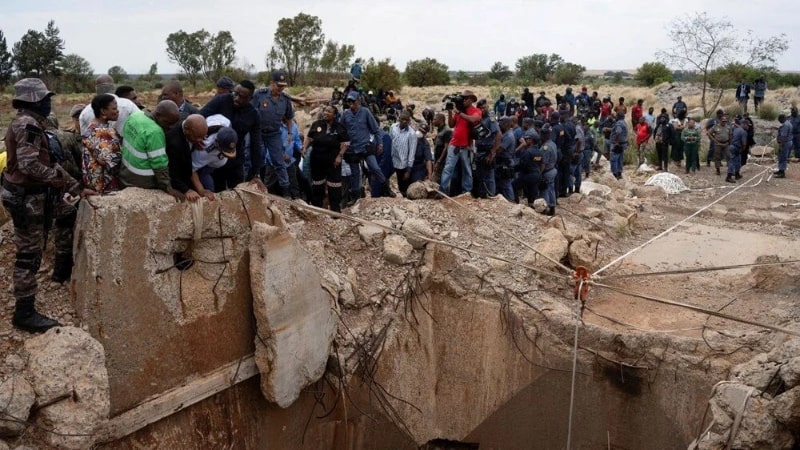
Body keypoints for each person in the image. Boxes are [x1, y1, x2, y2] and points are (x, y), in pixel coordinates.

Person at [2, 78, 97, 332]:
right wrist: (60, 181)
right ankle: (24, 312)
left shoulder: (28, 123)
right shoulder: (28, 125)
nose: (48, 103)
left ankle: (60, 270)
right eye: (45, 99)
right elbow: (29, 165)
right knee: (28, 254)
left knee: (67, 213)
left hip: (31, 196)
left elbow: (45, 164)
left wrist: (74, 187)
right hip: (27, 199)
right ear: (33, 100)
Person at [200, 80, 263, 189]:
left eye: (242, 97)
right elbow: (200, 117)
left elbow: (256, 144)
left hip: (236, 160)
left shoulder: (253, 114)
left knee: (237, 192)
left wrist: (256, 173)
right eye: (235, 93)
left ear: (250, 99)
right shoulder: (221, 100)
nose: (237, 98)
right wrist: (198, 137)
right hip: (214, 157)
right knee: (216, 192)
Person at [119, 100, 183, 200]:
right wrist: (168, 187)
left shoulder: (135, 116)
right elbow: (159, 165)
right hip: (142, 179)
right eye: (168, 122)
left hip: (125, 173)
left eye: (173, 124)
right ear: (158, 114)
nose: (170, 127)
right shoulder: (155, 132)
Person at [252, 71, 294, 198]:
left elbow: (289, 117)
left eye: (283, 86)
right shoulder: (260, 95)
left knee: (279, 162)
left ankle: (285, 191)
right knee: (255, 158)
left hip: (274, 133)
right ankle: (253, 183)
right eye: (278, 85)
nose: (281, 88)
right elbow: (250, 111)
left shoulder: (285, 100)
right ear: (272, 83)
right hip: (258, 132)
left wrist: (290, 132)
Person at [303, 105, 349, 212]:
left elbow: (345, 144)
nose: (325, 113)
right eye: (325, 111)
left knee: (334, 185)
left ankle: (335, 210)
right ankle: (318, 208)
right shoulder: (316, 124)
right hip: (317, 159)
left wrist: (339, 156)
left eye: (329, 111)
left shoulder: (339, 127)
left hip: (333, 161)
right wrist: (305, 148)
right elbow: (309, 138)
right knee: (318, 184)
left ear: (334, 115)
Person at [440, 90, 481, 196]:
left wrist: (458, 112)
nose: (463, 100)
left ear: (471, 99)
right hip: (454, 144)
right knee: (448, 168)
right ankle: (442, 190)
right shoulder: (460, 110)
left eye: (466, 98)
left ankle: (466, 191)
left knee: (467, 169)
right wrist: (450, 112)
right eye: (463, 98)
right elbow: (451, 125)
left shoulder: (475, 111)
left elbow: (473, 119)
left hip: (467, 146)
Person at [81, 93, 122, 193]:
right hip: (104, 185)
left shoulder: (93, 127)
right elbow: (108, 162)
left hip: (94, 182)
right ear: (103, 111)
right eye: (114, 108)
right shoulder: (101, 132)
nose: (117, 111)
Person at [166, 114, 208, 202]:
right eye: (196, 137)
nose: (200, 141)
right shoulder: (175, 144)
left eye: (203, 137)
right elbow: (172, 172)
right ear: (186, 130)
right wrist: (186, 190)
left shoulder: (188, 120)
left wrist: (196, 140)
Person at [191, 115, 236, 193]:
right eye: (224, 151)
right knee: (209, 189)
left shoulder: (226, 122)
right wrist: (201, 189)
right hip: (204, 166)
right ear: (217, 144)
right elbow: (190, 168)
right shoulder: (204, 150)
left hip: (217, 165)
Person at [473, 99, 501, 198]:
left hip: (487, 151)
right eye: (481, 108)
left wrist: (492, 153)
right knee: (481, 176)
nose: (483, 110)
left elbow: (498, 135)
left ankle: (491, 196)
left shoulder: (490, 119)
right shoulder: (479, 119)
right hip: (479, 151)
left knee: (489, 176)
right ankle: (483, 196)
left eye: (484, 107)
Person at [388, 111, 417, 196]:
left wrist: (408, 170)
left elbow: (412, 153)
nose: (404, 121)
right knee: (385, 178)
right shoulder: (393, 127)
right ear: (399, 119)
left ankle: (405, 199)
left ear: (409, 121)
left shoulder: (411, 134)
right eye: (402, 119)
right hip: (392, 159)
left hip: (402, 164)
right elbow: (390, 140)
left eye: (406, 120)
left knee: (403, 184)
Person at [513, 130, 544, 207]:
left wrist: (512, 169)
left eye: (527, 139)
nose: (526, 140)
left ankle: (515, 204)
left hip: (528, 175)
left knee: (513, 186)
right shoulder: (539, 151)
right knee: (532, 194)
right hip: (537, 175)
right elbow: (542, 164)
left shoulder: (527, 152)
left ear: (531, 140)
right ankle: (532, 208)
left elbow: (522, 165)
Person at [495, 117, 517, 201]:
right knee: (502, 183)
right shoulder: (505, 133)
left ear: (506, 124)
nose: (499, 125)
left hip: (505, 163)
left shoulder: (508, 135)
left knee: (506, 184)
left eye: (500, 124)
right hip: (502, 162)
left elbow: (499, 150)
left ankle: (511, 201)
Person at [280, 119, 303, 199]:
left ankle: (297, 201)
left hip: (289, 160)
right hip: (274, 160)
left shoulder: (294, 126)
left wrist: (301, 148)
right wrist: (282, 155)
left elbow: (296, 140)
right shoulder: (275, 124)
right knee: (271, 184)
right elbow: (273, 142)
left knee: (293, 182)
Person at [539, 124, 557, 216]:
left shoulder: (545, 147)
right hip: (553, 169)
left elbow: (543, 163)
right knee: (551, 190)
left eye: (541, 134)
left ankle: (544, 209)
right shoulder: (553, 144)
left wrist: (539, 173)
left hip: (547, 171)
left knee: (545, 190)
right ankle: (552, 207)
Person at [431, 113, 453, 183]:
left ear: (441, 120)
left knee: (441, 177)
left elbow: (446, 148)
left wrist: (439, 161)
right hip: (438, 158)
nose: (433, 121)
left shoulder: (447, 131)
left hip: (443, 160)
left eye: (435, 119)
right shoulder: (440, 130)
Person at [726, 118, 748, 183]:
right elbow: (744, 143)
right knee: (733, 162)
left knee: (738, 161)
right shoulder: (744, 132)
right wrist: (743, 149)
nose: (748, 127)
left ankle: (737, 174)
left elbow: (731, 137)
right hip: (736, 147)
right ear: (744, 124)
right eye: (747, 125)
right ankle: (728, 177)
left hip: (732, 146)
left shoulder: (736, 129)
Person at [609, 111, 628, 179]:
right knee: (620, 158)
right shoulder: (624, 122)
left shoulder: (619, 123)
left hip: (617, 144)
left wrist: (616, 142)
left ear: (618, 116)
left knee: (614, 159)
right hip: (623, 143)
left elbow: (618, 131)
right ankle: (619, 173)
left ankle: (615, 174)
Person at [775, 114, 792, 178]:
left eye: (779, 120)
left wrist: (781, 145)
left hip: (785, 143)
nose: (779, 122)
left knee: (782, 157)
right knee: (782, 157)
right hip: (788, 142)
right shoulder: (788, 123)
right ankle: (780, 170)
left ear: (782, 119)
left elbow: (783, 136)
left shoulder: (785, 125)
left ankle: (782, 173)